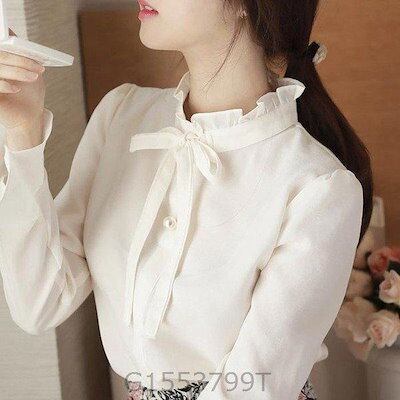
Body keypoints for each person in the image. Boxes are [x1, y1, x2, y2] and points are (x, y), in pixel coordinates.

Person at [0, 1, 372, 399]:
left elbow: (255, 388)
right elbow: (39, 303)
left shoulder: (320, 188)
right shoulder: (120, 115)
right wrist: (23, 134)